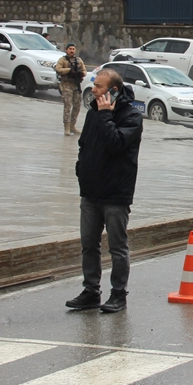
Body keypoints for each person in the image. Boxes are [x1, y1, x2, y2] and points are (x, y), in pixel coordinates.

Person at [65, 67, 143, 314]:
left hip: (115, 194)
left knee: (117, 247)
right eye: (94, 85)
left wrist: (106, 115)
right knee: (89, 244)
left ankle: (118, 294)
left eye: (99, 86)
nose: (93, 89)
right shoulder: (93, 114)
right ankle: (91, 291)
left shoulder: (131, 116)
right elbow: (84, 145)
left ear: (114, 91)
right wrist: (82, 172)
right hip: (90, 192)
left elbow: (116, 143)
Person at [56, 42, 85, 136]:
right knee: (67, 106)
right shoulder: (63, 60)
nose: (72, 50)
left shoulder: (79, 60)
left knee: (77, 106)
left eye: (73, 49)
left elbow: (84, 71)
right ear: (66, 50)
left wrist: (81, 73)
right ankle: (67, 128)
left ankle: (73, 126)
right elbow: (58, 69)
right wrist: (69, 70)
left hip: (76, 86)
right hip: (66, 86)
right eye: (70, 49)